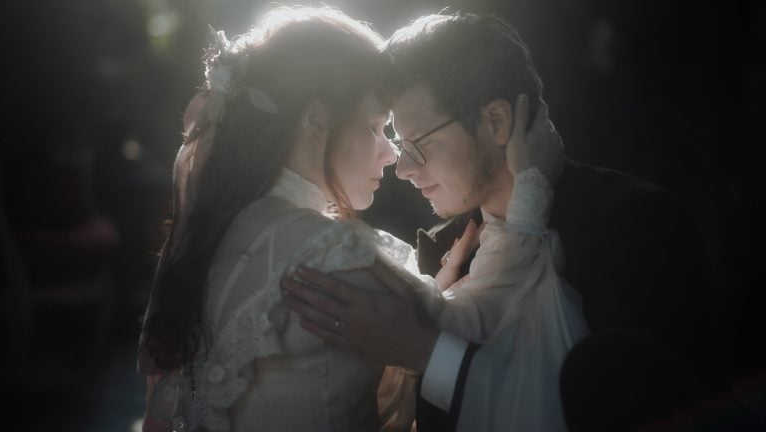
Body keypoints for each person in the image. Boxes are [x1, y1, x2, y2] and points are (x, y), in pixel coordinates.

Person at [281, 11, 735, 432]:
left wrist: (423, 349)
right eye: (399, 146)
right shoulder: (443, 248)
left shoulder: (638, 226)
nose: (403, 170)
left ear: (496, 121)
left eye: (416, 144)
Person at [136, 6, 423, 431]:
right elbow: (475, 349)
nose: (392, 152)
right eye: (377, 126)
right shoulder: (333, 257)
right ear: (315, 119)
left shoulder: (211, 232)